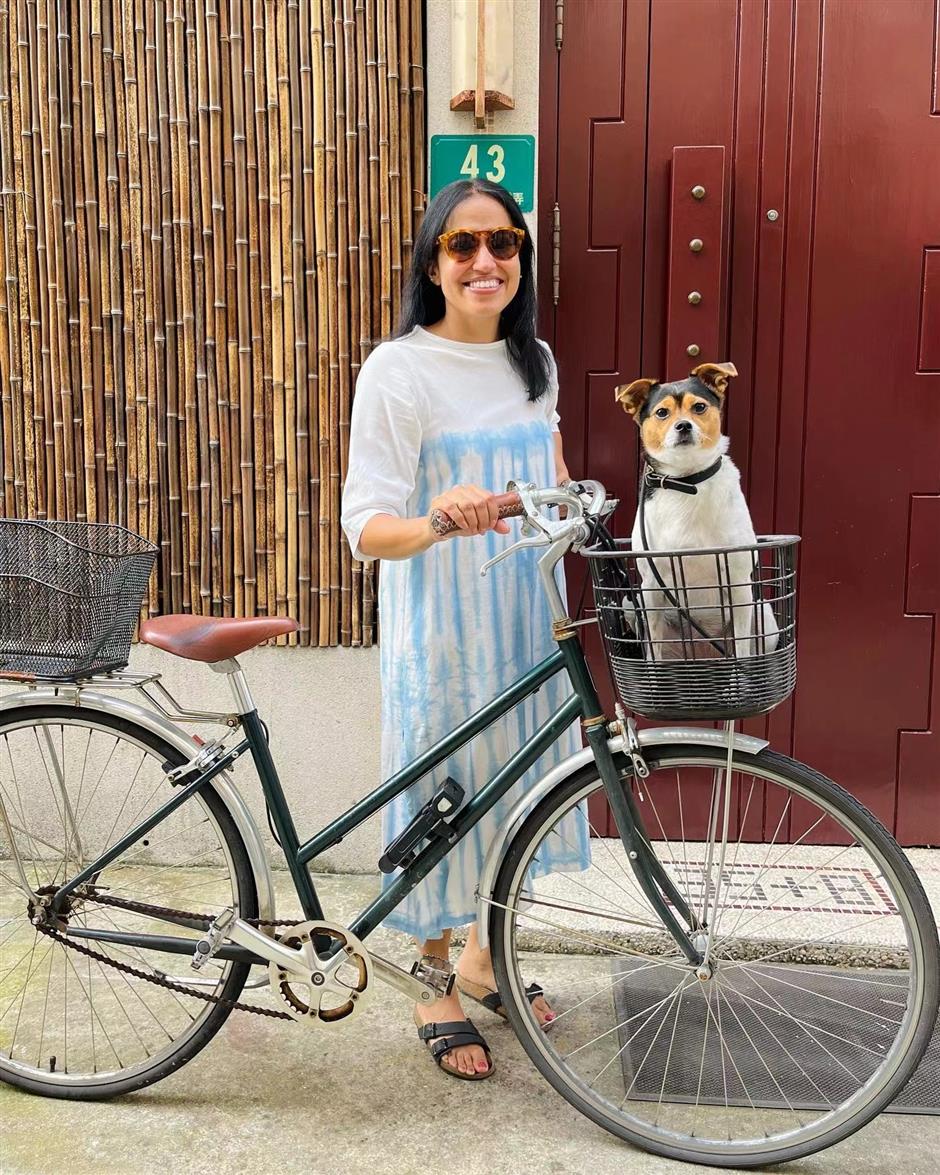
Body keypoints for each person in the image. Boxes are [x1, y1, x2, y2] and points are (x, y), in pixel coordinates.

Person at [341, 178, 589, 1080]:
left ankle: (487, 958)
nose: (486, 261)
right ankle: (432, 973)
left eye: (504, 243)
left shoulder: (536, 361)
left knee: (520, 785)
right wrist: (441, 518)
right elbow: (366, 526)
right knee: (444, 793)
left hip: (527, 613)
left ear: (522, 256)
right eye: (462, 245)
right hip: (442, 627)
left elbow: (549, 470)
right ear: (432, 262)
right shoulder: (399, 369)